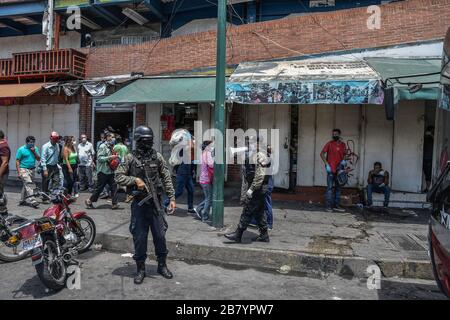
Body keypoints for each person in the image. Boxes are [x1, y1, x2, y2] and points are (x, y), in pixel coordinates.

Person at [115, 125, 176, 285]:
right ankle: (140, 269)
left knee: (160, 236)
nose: (148, 143)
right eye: (144, 140)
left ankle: (161, 266)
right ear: (138, 140)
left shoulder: (157, 157)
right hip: (139, 205)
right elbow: (118, 176)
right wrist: (135, 180)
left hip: (155, 203)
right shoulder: (129, 158)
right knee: (140, 238)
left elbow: (166, 177)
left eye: (150, 140)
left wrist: (172, 198)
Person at [224, 135, 271, 243]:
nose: (250, 144)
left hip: (258, 188)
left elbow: (260, 175)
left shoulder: (261, 154)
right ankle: (264, 235)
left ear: (259, 143)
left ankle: (238, 234)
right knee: (259, 212)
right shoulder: (256, 153)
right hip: (259, 188)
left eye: (252, 142)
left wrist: (252, 189)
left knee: (248, 210)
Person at [85, 132, 119, 209]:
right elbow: (99, 158)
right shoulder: (102, 146)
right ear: (107, 137)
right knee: (99, 189)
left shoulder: (113, 146)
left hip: (111, 171)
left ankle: (114, 203)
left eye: (114, 137)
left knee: (114, 187)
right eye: (112, 137)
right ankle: (89, 201)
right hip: (103, 171)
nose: (113, 139)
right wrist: (110, 157)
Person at [320, 129, 347, 213]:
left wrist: (344, 161)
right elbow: (321, 154)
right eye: (333, 134)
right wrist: (326, 164)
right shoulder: (330, 144)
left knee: (338, 188)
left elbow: (345, 155)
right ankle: (328, 207)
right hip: (331, 169)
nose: (334, 135)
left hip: (339, 170)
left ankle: (336, 206)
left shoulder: (343, 145)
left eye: (336, 134)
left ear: (339, 135)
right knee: (330, 188)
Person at [16, 136, 40, 208]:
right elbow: (17, 161)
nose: (32, 144)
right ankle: (33, 200)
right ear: (27, 142)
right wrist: (19, 172)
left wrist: (34, 152)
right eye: (30, 142)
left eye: (33, 142)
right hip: (23, 169)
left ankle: (22, 200)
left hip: (32, 169)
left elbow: (38, 158)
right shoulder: (21, 149)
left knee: (26, 185)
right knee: (29, 184)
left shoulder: (35, 148)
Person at [196, 140, 214, 223]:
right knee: (209, 199)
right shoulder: (208, 154)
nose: (212, 147)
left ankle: (199, 208)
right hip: (206, 179)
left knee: (208, 198)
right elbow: (211, 165)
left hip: (203, 179)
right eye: (210, 145)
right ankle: (205, 217)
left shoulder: (203, 154)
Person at [41, 131, 62, 197]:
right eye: (55, 138)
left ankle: (54, 195)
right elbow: (43, 158)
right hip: (47, 166)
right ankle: (44, 197)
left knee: (56, 180)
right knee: (46, 182)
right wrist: (45, 169)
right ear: (51, 138)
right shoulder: (45, 146)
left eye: (57, 138)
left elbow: (57, 155)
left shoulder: (57, 145)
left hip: (55, 166)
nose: (56, 140)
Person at [0, 131, 11, 215]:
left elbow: (5, 162)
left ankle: (3, 210)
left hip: (2, 174)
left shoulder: (3, 147)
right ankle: (2, 210)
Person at [423, 126, 434, 193]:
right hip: (424, 158)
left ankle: (428, 189)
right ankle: (427, 188)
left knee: (429, 174)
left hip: (430, 158)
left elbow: (436, 141)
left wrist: (431, 135)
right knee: (426, 173)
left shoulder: (433, 138)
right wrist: (425, 134)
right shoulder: (425, 138)